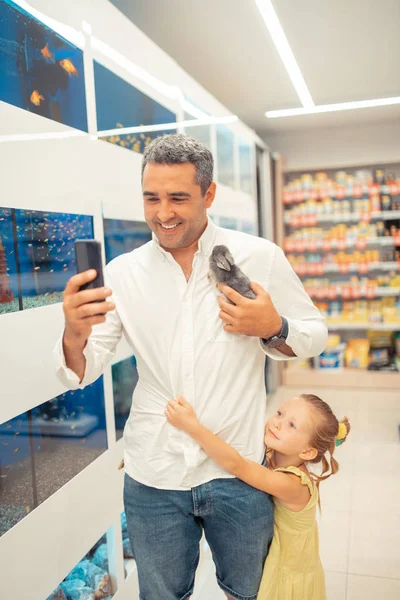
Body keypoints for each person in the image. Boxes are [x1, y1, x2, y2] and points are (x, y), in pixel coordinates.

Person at [54, 133, 328, 600]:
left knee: (249, 592)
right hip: (154, 472)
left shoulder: (258, 256)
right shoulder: (123, 272)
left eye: (178, 197)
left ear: (209, 193)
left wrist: (273, 325)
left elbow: (313, 332)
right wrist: (74, 333)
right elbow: (85, 367)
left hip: (238, 471)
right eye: (151, 198)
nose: (163, 213)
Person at [165, 393, 350, 600]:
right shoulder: (272, 454)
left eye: (291, 425)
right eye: (279, 413)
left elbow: (238, 465)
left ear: (307, 452)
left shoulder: (294, 483)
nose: (277, 423)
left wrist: (192, 427)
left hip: (289, 570)